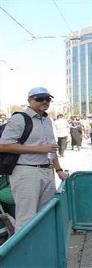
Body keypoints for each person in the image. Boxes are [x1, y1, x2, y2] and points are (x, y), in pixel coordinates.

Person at [0, 87, 69, 230]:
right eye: (39, 98)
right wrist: (39, 149)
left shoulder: (47, 120)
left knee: (45, 215)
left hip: (46, 171)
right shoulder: (19, 118)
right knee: (26, 218)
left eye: (47, 99)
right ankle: (24, 251)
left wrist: (59, 170)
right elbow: (4, 146)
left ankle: (41, 250)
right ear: (29, 101)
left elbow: (52, 148)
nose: (44, 101)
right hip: (26, 172)